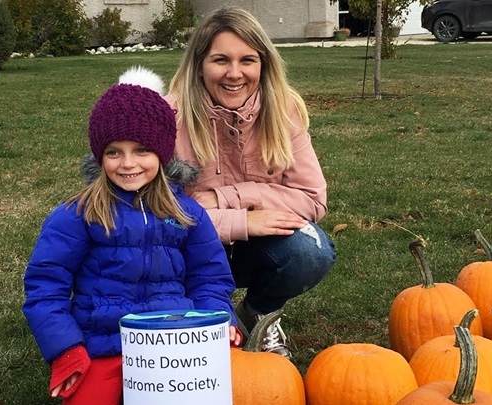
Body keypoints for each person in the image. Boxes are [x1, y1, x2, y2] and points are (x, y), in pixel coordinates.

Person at [23, 66, 241, 405]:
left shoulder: (187, 213)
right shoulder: (77, 214)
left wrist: (218, 320)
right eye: (114, 152)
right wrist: (66, 348)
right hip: (102, 346)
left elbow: (210, 276)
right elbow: (45, 286)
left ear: (162, 153)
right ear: (99, 155)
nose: (128, 164)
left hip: (174, 344)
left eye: (141, 150)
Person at [166, 6, 336, 359]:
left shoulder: (282, 111)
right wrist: (240, 220)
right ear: (199, 64)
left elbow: (313, 199)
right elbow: (155, 217)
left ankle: (258, 312)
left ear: (263, 64)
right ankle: (199, 314)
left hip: (251, 248)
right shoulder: (169, 118)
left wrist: (227, 198)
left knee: (310, 250)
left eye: (247, 60)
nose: (234, 74)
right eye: (220, 60)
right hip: (186, 251)